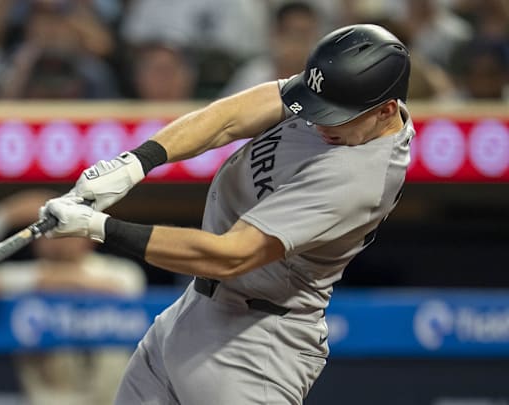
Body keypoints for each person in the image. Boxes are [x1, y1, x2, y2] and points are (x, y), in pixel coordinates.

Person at [40, 24, 414, 404]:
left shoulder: (358, 178)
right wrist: (136, 162)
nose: (316, 121)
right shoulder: (348, 95)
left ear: (385, 111)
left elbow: (230, 255)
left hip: (254, 346)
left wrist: (98, 226)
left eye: (332, 116)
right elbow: (229, 118)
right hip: (194, 310)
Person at [0, 190, 146, 405]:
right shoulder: (15, 277)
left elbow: (116, 286)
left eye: (66, 227)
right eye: (49, 229)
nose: (57, 238)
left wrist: (13, 281)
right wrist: (0, 216)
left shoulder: (121, 271)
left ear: (88, 233)